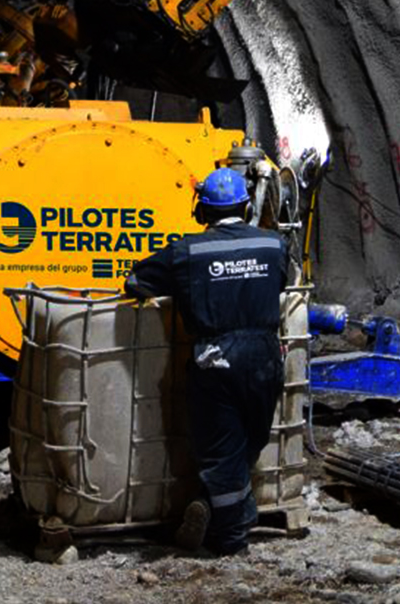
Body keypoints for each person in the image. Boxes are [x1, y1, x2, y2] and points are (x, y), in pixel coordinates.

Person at [123, 167, 291, 555]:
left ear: (203, 211)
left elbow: (137, 281)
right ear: (246, 206)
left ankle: (230, 540)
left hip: (216, 359)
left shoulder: (186, 251)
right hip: (266, 356)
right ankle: (227, 509)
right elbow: (282, 281)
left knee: (220, 452)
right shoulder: (273, 244)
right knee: (251, 439)